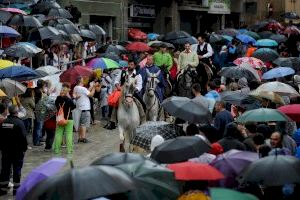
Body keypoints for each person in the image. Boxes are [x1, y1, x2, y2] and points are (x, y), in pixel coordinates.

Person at [0, 105, 27, 196]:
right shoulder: (20, 123)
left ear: (9, 111)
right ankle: (16, 190)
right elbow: (23, 137)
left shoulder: (4, 122)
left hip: (6, 150)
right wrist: (24, 148)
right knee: (17, 169)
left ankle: (3, 189)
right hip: (17, 151)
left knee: (5, 169)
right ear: (16, 112)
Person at [73, 76, 98, 143]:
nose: (83, 80)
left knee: (80, 124)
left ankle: (80, 138)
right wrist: (94, 87)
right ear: (81, 81)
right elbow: (91, 94)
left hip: (79, 108)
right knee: (83, 124)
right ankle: (83, 138)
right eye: (82, 79)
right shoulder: (83, 88)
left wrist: (91, 86)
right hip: (85, 108)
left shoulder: (75, 87)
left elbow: (85, 92)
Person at [54, 85, 76, 154]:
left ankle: (57, 149)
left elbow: (56, 105)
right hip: (68, 119)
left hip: (60, 119)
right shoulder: (69, 100)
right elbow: (73, 107)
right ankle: (69, 150)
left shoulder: (58, 99)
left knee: (58, 134)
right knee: (69, 134)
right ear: (67, 92)